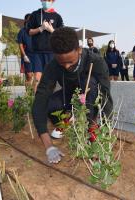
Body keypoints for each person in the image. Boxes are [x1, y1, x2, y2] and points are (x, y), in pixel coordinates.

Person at [32, 27, 113, 164]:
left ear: (79, 50)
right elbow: (40, 100)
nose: (66, 66)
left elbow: (105, 98)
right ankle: (66, 126)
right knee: (50, 105)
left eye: (71, 62)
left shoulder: (96, 62)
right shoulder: (52, 67)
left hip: (90, 95)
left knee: (91, 84)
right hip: (69, 96)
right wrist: (49, 147)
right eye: (62, 63)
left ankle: (91, 132)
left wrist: (105, 136)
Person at [27, 0, 64, 92]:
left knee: (51, 79)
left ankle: (50, 101)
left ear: (53, 1)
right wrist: (41, 28)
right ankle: (36, 102)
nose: (46, 2)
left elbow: (61, 35)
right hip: (37, 52)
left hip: (52, 52)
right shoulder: (35, 14)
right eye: (44, 0)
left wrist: (52, 30)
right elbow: (29, 32)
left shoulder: (57, 17)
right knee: (37, 78)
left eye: (48, 0)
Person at [17, 14, 34, 86]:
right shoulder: (22, 31)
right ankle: (28, 96)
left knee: (37, 76)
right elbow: (20, 45)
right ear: (26, 20)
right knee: (29, 76)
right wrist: (24, 56)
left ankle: (35, 94)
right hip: (27, 56)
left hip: (37, 56)